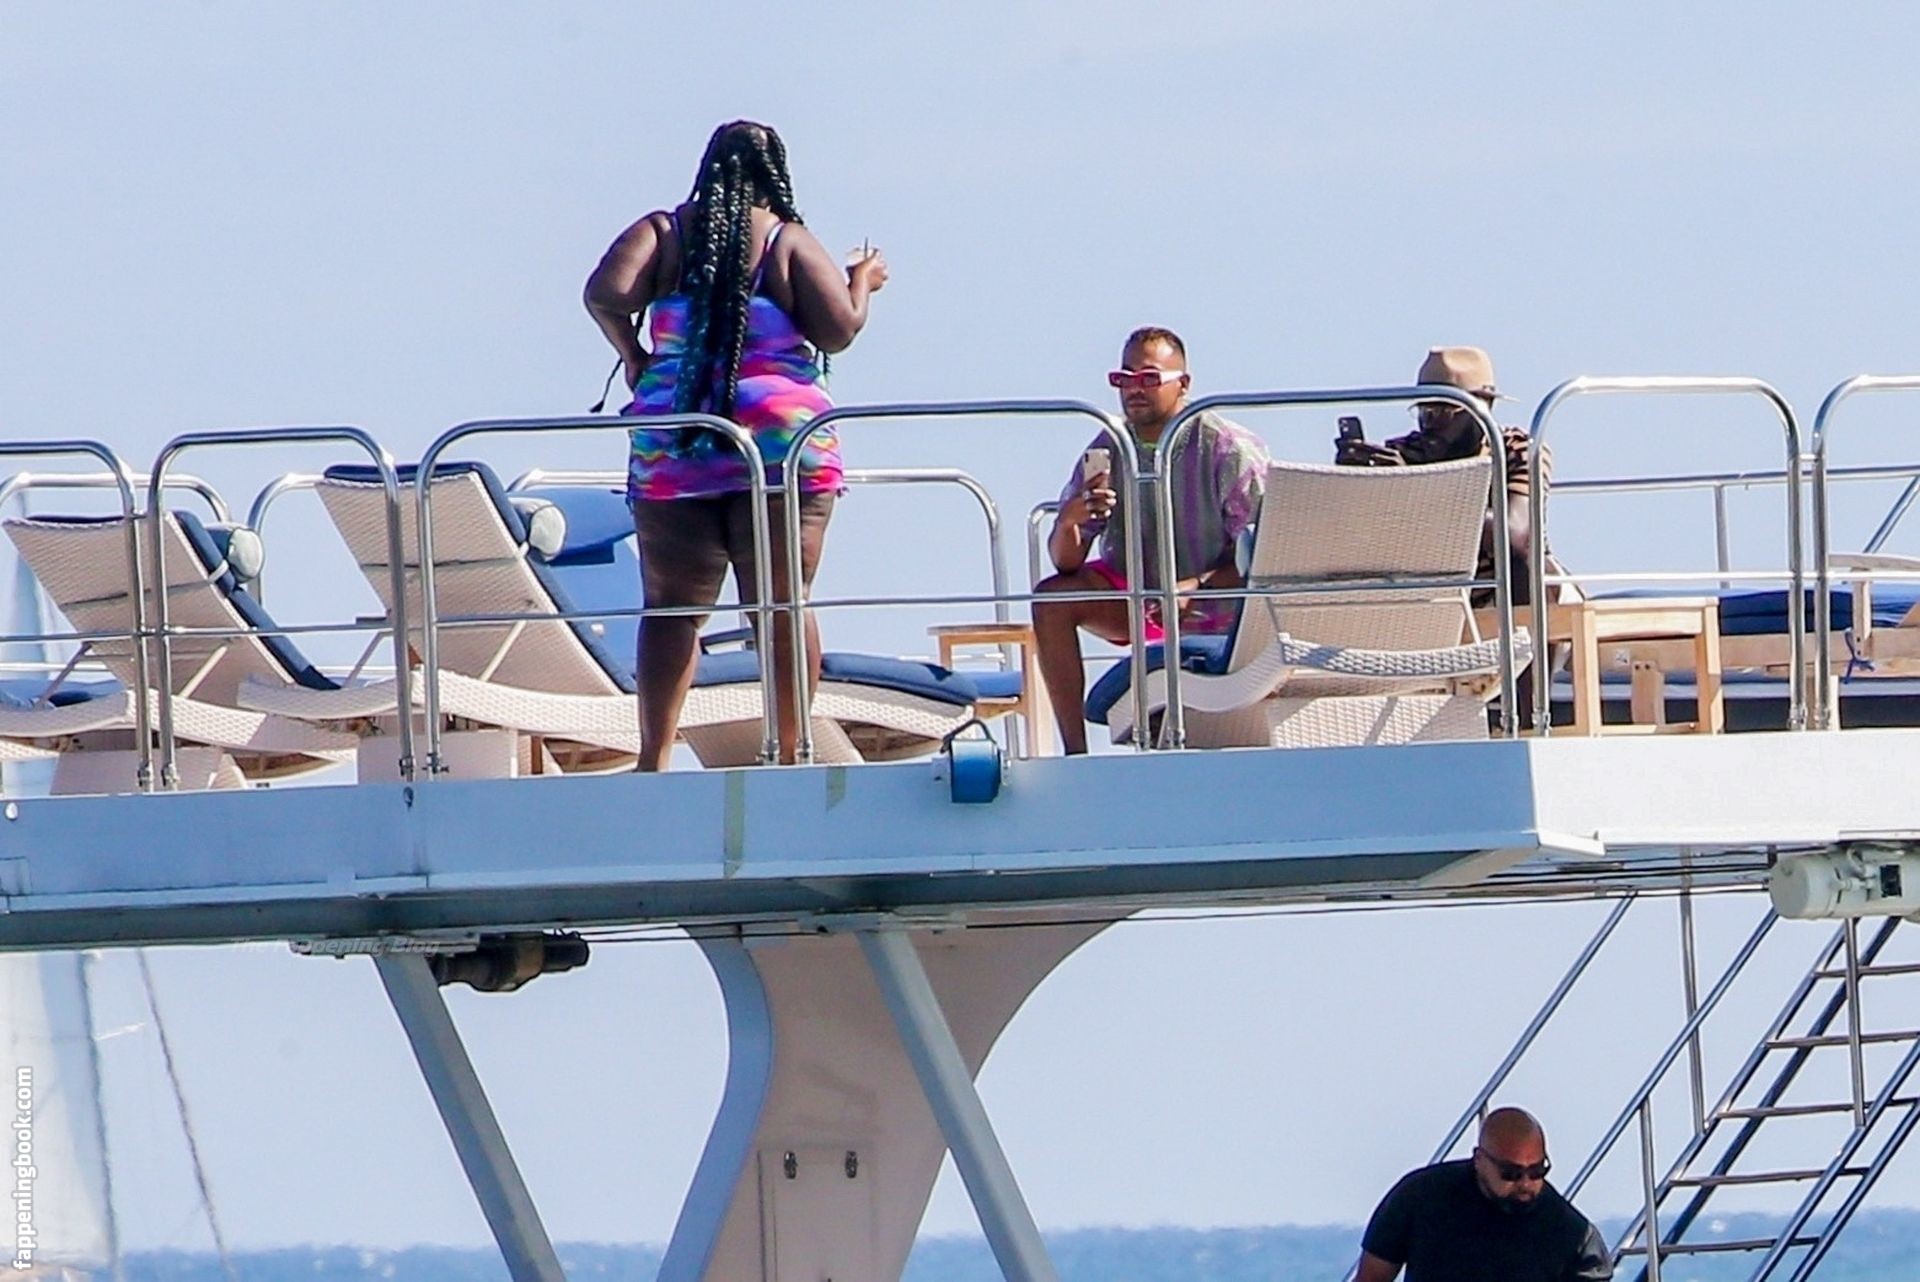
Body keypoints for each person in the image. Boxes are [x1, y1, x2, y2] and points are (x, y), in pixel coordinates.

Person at [584, 120, 888, 769]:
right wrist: (863, 279)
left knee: (670, 609)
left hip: (678, 442)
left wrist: (634, 355)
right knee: (782, 605)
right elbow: (839, 331)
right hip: (781, 448)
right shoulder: (785, 240)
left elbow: (604, 294)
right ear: (774, 176)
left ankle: (653, 757)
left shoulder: (665, 231)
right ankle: (790, 750)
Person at [1032, 327, 1270, 754]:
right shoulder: (1107, 446)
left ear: (1183, 383)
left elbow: (1264, 554)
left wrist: (1194, 587)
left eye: (1148, 378)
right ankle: (1076, 755)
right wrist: (1070, 521)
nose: (1134, 390)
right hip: (1138, 595)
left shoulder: (1227, 447)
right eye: (1123, 379)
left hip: (1214, 599)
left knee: (1240, 571)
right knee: (1051, 601)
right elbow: (1064, 563)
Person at [1334, 345, 1546, 606]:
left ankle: (1527, 631)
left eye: (1444, 410)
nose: (1430, 423)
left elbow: (1514, 533)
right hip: (1434, 599)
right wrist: (1352, 486)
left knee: (1524, 554)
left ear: (1484, 406)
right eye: (1424, 410)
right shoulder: (1407, 452)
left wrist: (1418, 489)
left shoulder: (1516, 448)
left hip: (1513, 597)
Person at [1357, 1107, 1613, 1282]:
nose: (1525, 1184)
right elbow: (1372, 1277)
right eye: (1511, 1173)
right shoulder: (1421, 1198)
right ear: (1479, 1160)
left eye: (1537, 1171)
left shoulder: (1573, 1235)